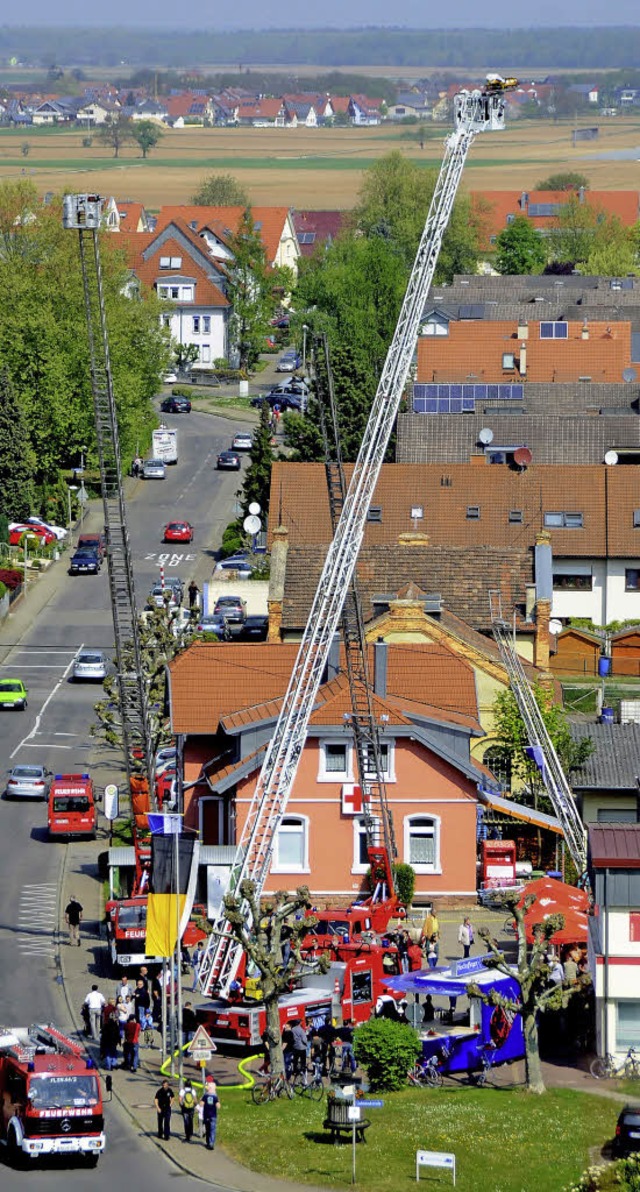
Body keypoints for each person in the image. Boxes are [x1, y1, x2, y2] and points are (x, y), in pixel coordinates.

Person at [201, 1079, 220, 1150]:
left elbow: (201, 1104)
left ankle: (208, 1142)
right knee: (212, 1130)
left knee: (207, 1129)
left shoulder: (205, 1096)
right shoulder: (215, 1097)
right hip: (213, 1115)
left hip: (206, 1115)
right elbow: (218, 1106)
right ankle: (211, 1143)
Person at [179, 1078, 197, 1142]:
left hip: (185, 1108)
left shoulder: (182, 1091)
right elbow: (195, 1100)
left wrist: (182, 1106)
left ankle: (187, 1135)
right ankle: (191, 1133)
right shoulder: (193, 1091)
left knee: (186, 1121)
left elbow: (180, 1100)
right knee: (191, 1120)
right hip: (191, 1108)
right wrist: (194, 1106)